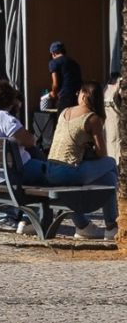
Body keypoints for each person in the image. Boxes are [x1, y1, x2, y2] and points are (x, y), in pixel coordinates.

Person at [47, 82, 119, 239]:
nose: (77, 95)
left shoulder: (64, 112)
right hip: (69, 171)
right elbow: (102, 154)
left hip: (51, 169)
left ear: (85, 95)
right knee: (111, 164)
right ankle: (111, 226)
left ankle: (83, 225)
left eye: (78, 92)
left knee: (109, 178)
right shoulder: (92, 118)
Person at [48, 42, 83, 110]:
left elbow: (55, 84)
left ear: (53, 53)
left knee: (63, 119)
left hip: (64, 97)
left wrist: (54, 93)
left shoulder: (54, 62)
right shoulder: (74, 63)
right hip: (77, 97)